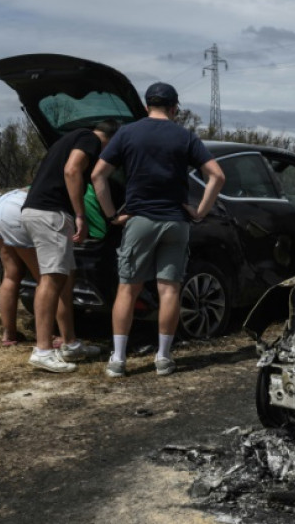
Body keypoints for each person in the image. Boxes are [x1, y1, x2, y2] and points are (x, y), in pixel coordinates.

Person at [91, 82, 225, 378]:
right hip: (176, 220)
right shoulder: (185, 136)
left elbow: (98, 175)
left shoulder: (127, 133)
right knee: (169, 290)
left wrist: (112, 214)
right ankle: (163, 359)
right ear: (175, 107)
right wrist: (200, 211)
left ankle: (119, 360)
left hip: (140, 219)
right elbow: (217, 175)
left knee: (127, 288)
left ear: (146, 105)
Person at [20, 119, 120, 373]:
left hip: (41, 211)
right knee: (52, 279)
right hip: (50, 213)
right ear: (110, 138)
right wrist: (80, 215)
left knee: (65, 278)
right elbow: (72, 170)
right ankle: (43, 350)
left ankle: (70, 343)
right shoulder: (90, 139)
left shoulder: (71, 138)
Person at [0, 188, 82, 348]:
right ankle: (53, 337)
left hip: (0, 204)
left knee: (11, 274)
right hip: (20, 208)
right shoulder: (79, 187)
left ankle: (9, 335)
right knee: (50, 281)